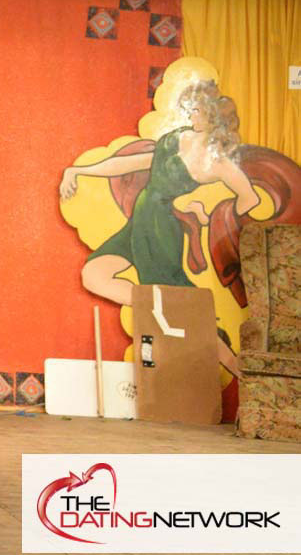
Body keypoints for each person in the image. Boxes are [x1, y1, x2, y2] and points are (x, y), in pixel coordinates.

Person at [59, 80, 258, 376]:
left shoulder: (219, 164)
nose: (192, 114)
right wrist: (77, 171)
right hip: (140, 220)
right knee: (94, 275)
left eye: (198, 110)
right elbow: (129, 164)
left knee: (182, 305)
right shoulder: (177, 138)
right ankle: (163, 308)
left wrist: (218, 219)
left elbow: (250, 198)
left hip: (161, 229)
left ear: (212, 117)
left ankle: (234, 366)